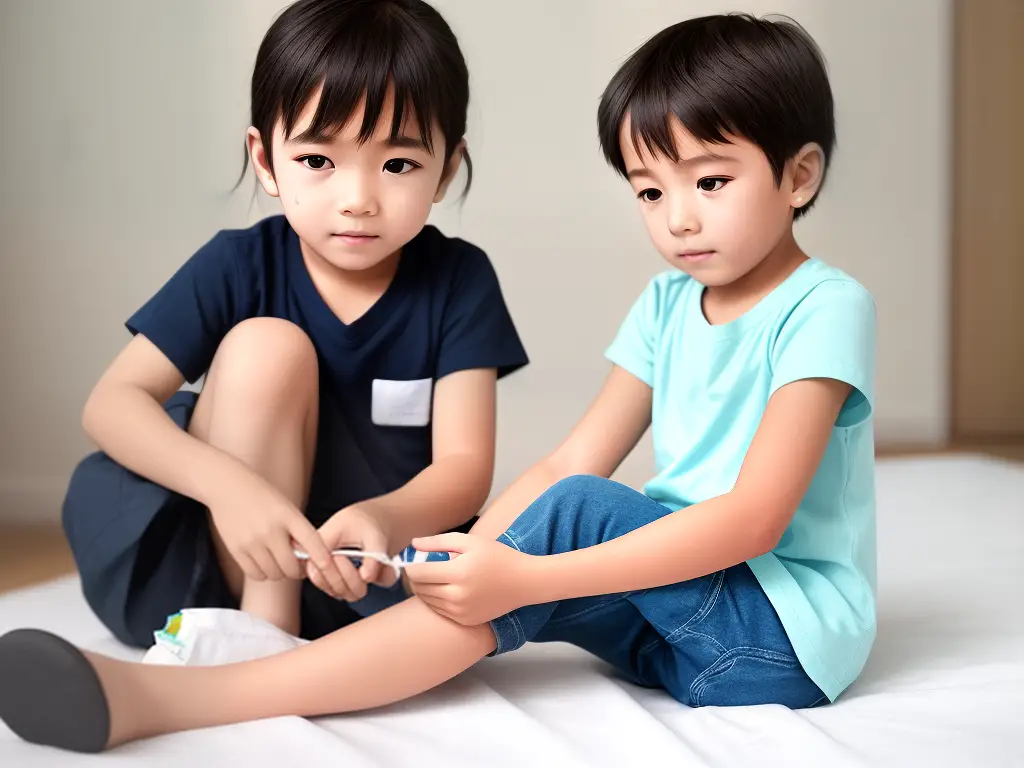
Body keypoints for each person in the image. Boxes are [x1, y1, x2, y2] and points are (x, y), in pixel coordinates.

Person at [0, 12, 877, 754]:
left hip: (774, 635)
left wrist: (518, 573)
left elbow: (752, 518)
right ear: (265, 159)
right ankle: (267, 650)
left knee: (576, 516)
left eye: (710, 182)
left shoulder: (825, 308)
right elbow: (572, 454)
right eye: (649, 192)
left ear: (798, 176)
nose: (677, 218)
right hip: (670, 626)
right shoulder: (666, 304)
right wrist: (477, 558)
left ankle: (180, 699)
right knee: (529, 536)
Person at [57, 0, 528, 650]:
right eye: (317, 160)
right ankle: (262, 634)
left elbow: (466, 466)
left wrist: (384, 518)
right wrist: (232, 491)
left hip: (364, 579)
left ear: (446, 167)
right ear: (265, 158)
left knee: (463, 619)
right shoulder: (239, 262)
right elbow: (111, 405)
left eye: (397, 165)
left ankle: (284, 642)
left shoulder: (457, 280)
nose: (357, 198)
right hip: (211, 572)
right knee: (265, 345)